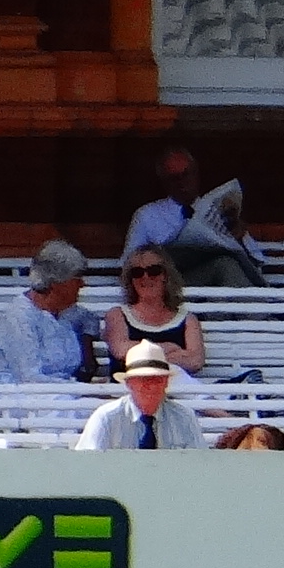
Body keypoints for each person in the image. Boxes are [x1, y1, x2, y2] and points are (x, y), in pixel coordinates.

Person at [0, 242, 96, 384]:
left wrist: (87, 340)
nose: (82, 284)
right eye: (77, 278)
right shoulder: (20, 316)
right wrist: (80, 389)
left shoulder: (66, 312)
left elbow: (90, 319)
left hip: (61, 390)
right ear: (57, 283)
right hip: (14, 391)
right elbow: (29, 377)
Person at [98, 247, 206, 380]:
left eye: (154, 271)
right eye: (137, 272)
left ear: (165, 276)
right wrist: (171, 348)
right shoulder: (117, 315)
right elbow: (120, 350)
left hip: (176, 388)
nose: (145, 277)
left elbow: (195, 361)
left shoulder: (188, 319)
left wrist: (144, 356)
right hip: (127, 388)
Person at [76, 343, 205, 451]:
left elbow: (199, 464)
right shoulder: (106, 418)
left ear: (166, 382)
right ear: (129, 383)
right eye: (143, 380)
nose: (151, 386)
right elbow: (87, 465)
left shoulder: (184, 417)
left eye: (157, 380)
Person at [122, 146, 200, 265]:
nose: (182, 182)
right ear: (164, 182)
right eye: (174, 178)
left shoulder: (215, 209)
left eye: (186, 174)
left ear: (196, 174)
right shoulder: (147, 215)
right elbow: (129, 261)